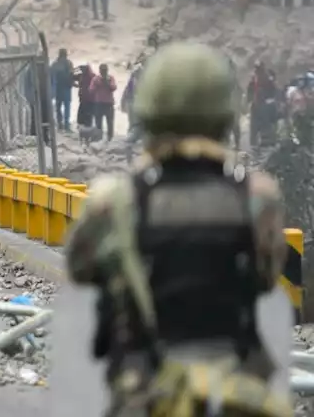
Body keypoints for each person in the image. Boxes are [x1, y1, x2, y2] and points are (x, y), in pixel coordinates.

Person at [64, 42, 290, 417]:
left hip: (145, 393)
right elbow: (266, 279)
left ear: (150, 107)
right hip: (234, 393)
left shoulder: (115, 201)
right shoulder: (258, 197)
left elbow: (80, 270)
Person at [89, 63, 118, 141]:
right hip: (100, 103)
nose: (104, 72)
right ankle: (99, 137)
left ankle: (109, 137)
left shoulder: (110, 78)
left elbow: (114, 87)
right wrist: (98, 85)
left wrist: (107, 83)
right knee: (99, 122)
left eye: (105, 71)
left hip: (108, 103)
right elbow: (91, 90)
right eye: (103, 71)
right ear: (100, 71)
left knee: (110, 122)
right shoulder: (96, 79)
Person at [50, 48, 75, 132]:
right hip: (66, 88)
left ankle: (60, 124)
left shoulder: (55, 64)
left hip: (58, 88)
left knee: (58, 107)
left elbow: (51, 76)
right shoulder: (69, 63)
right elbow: (72, 75)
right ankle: (66, 125)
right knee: (66, 107)